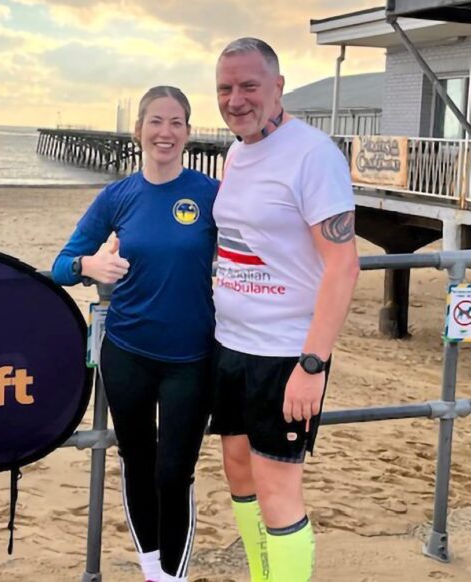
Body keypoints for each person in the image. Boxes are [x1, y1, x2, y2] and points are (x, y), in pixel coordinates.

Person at [52, 86, 219, 582]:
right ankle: (153, 573)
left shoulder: (212, 194)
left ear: (188, 132)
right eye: (156, 122)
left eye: (176, 122)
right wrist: (89, 265)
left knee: (174, 473)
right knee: (138, 463)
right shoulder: (117, 196)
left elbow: (257, 249)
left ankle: (173, 576)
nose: (165, 132)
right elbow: (61, 264)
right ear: (138, 130)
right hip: (127, 353)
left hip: (192, 357)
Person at [209, 38, 360, 582]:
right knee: (238, 470)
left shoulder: (312, 154)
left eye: (249, 86)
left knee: (278, 488)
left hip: (285, 353)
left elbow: (344, 265)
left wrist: (312, 365)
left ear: (278, 87)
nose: (236, 100)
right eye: (225, 88)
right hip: (231, 344)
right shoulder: (237, 153)